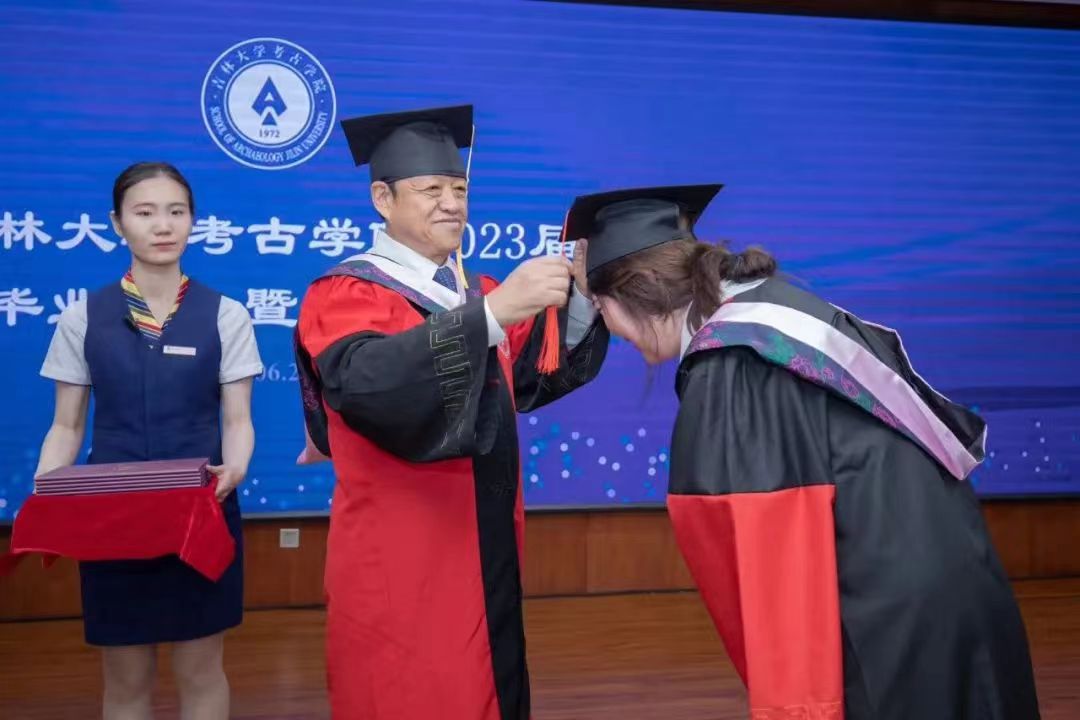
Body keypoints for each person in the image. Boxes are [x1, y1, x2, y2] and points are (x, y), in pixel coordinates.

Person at [569, 184, 1041, 719]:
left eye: (600, 308)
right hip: (951, 576)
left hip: (883, 622)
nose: (611, 330)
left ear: (632, 294)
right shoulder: (780, 314)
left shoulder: (734, 366)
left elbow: (771, 547)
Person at [294, 104, 608, 720]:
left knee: (488, 680)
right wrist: (490, 318)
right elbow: (367, 386)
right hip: (403, 553)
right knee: (413, 691)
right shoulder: (346, 293)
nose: (451, 204)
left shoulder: (476, 290)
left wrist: (584, 299)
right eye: (430, 189)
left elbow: (530, 377)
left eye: (459, 190)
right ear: (382, 199)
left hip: (483, 539)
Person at [35, 162, 263, 720]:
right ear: (117, 224)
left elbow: (238, 420)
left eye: (176, 211)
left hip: (201, 511)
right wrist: (48, 488)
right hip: (114, 517)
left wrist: (235, 467)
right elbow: (66, 425)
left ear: (193, 221)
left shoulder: (226, 314)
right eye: (145, 212)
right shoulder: (82, 316)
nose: (163, 225)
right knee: (125, 675)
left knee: (201, 669)